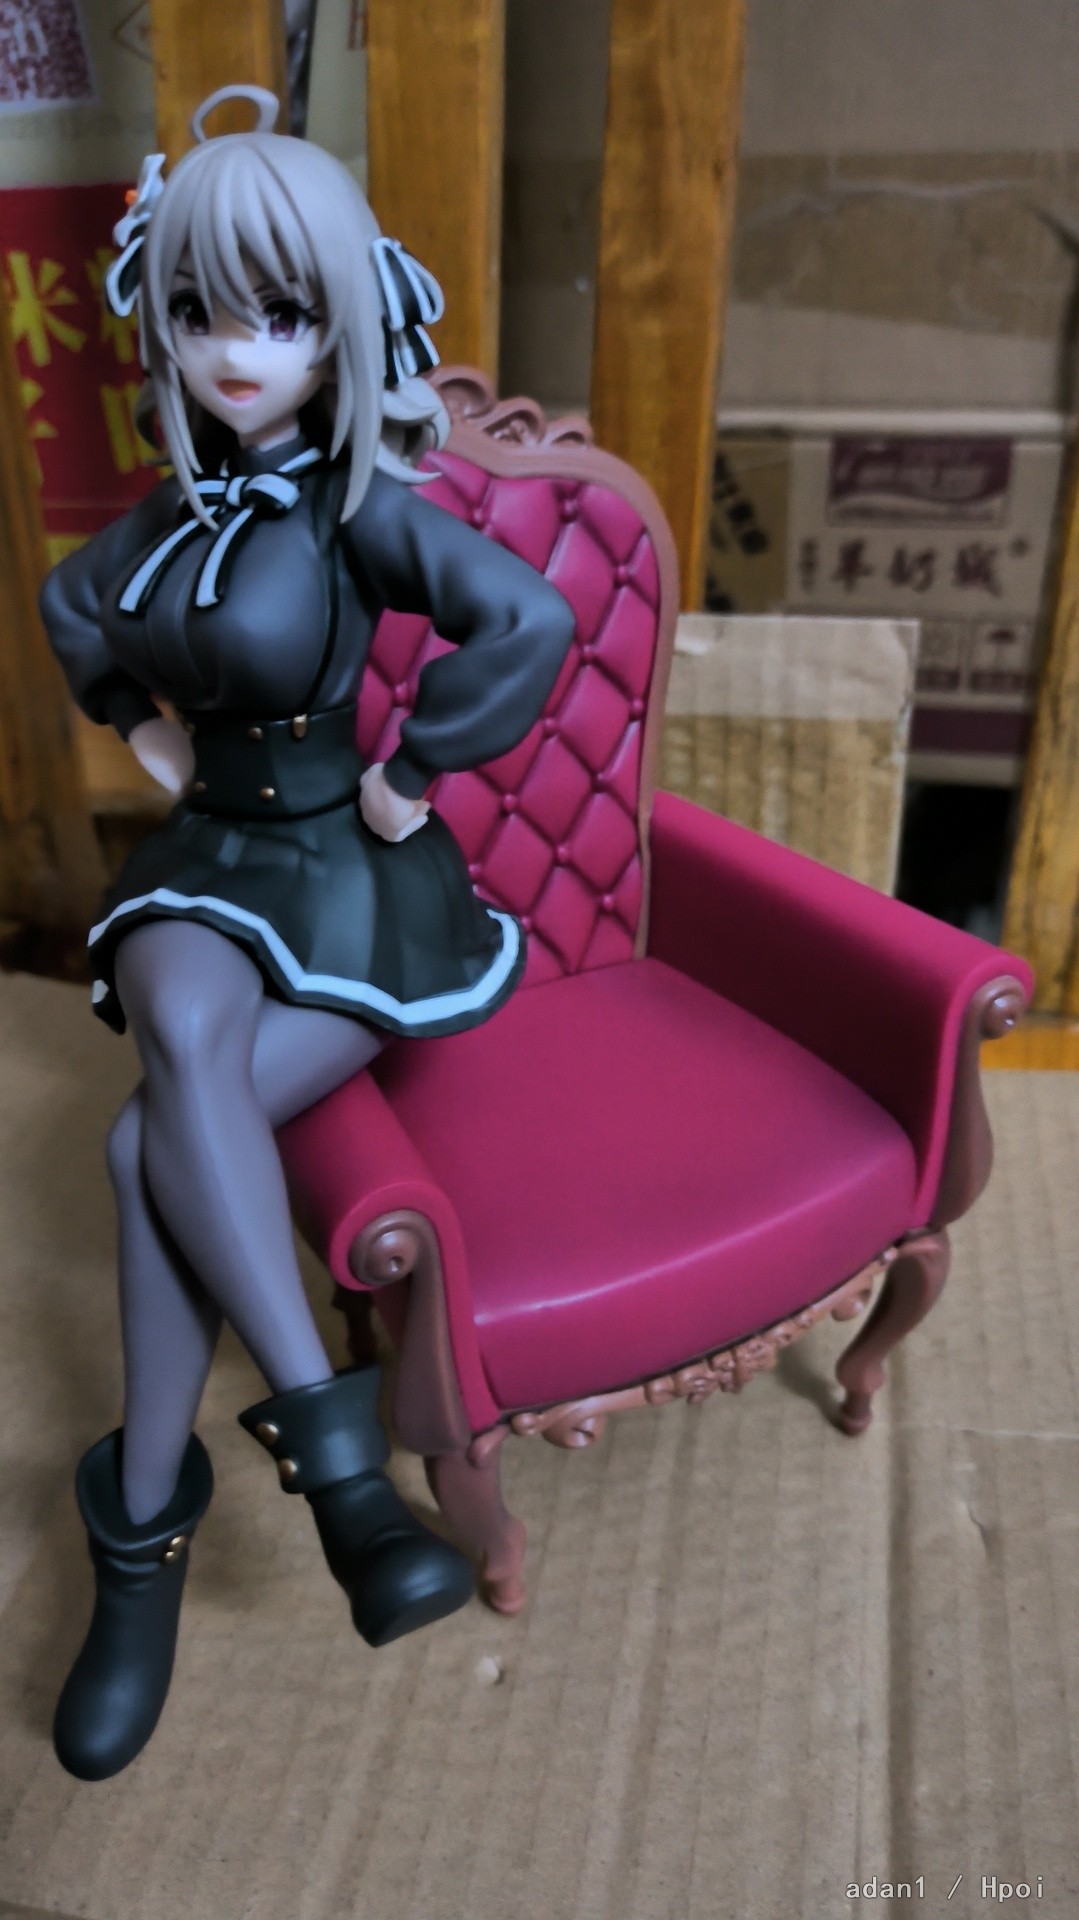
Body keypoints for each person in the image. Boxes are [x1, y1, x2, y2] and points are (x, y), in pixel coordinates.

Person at [38, 86, 575, 1781]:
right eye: (200, 312)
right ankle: (346, 1486)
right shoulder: (166, 522)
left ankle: (139, 1524)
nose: (235, 351)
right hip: (206, 857)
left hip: (352, 879)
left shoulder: (354, 510)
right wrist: (142, 728)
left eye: (277, 314)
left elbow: (526, 615)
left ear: (340, 323)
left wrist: (417, 766)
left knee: (143, 1151)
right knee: (182, 1025)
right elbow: (72, 602)